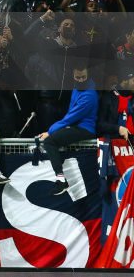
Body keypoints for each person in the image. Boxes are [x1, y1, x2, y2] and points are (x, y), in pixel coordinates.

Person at [37, 61, 98, 195]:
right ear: (73, 75)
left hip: (85, 129)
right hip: (76, 126)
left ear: (88, 75)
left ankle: (61, 181)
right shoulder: (76, 88)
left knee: (49, 142)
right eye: (78, 77)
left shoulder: (89, 96)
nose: (81, 80)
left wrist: (50, 131)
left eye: (83, 77)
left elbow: (70, 117)